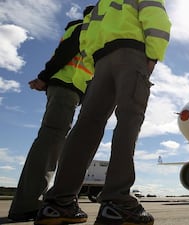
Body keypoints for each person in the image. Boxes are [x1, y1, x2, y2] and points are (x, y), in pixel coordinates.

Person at [35, 1, 171, 225]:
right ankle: (117, 201)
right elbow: (156, 17)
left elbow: (85, 38)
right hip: (132, 52)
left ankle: (59, 202)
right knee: (129, 119)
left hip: (101, 61)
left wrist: (93, 63)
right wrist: (153, 54)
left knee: (87, 126)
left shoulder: (101, 4)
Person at [7, 6, 94, 222]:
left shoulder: (84, 29)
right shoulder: (85, 28)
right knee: (50, 141)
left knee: (53, 142)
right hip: (66, 86)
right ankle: (27, 205)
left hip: (69, 90)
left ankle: (32, 201)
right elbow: (66, 54)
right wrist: (44, 77)